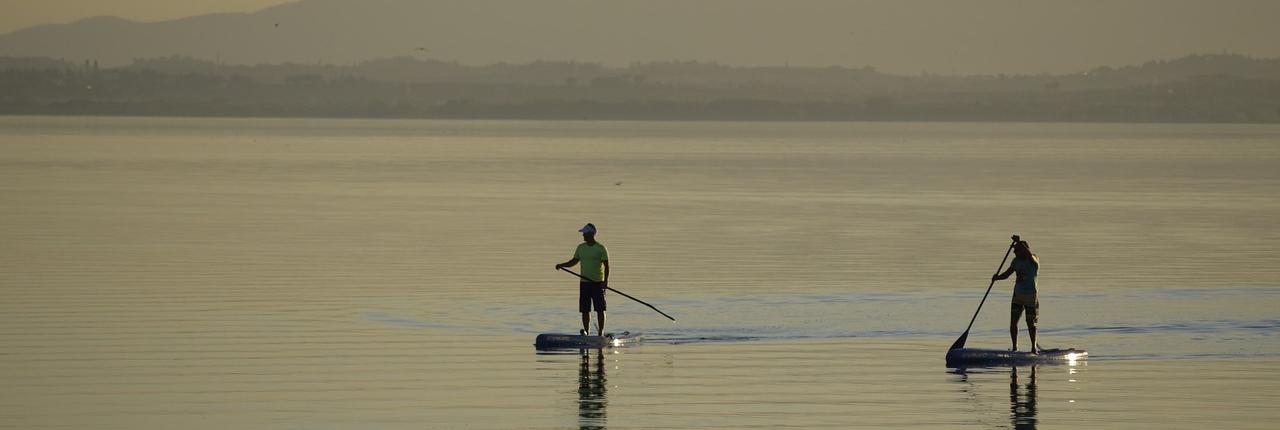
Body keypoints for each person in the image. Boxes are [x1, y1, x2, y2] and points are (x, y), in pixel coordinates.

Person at [555, 223, 610, 336]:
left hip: (597, 283)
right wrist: (562, 265)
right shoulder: (581, 248)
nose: (583, 236)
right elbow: (573, 261)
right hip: (584, 283)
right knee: (585, 309)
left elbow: (607, 265)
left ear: (591, 234)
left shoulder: (601, 248)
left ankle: (601, 332)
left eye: (585, 233)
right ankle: (586, 332)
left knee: (600, 308)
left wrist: (605, 282)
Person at [993, 240, 1039, 353]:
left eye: (1016, 250)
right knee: (1013, 322)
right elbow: (1007, 274)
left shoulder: (1033, 260)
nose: (1014, 252)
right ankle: (1015, 347)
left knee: (1030, 323)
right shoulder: (1015, 261)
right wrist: (997, 277)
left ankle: (1033, 348)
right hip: (1017, 295)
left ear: (1023, 250)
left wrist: (1019, 242)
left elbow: (1029, 254)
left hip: (1031, 296)